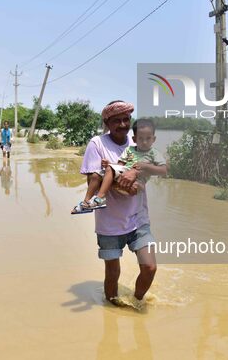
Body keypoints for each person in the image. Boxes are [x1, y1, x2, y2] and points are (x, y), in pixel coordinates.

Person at [79, 100, 167, 308]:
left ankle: (137, 302)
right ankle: (113, 310)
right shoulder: (97, 144)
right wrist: (120, 175)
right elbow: (93, 179)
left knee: (150, 267)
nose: (122, 125)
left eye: (126, 119)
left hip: (138, 219)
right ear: (107, 123)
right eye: (116, 120)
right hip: (109, 222)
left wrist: (134, 171)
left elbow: (154, 171)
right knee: (112, 273)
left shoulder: (138, 144)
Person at [71, 118, 166, 213]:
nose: (144, 142)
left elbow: (163, 170)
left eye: (148, 138)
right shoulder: (129, 150)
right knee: (96, 175)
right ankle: (86, 202)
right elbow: (120, 165)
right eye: (140, 138)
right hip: (123, 173)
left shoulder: (154, 153)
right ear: (134, 139)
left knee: (118, 178)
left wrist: (144, 166)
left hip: (137, 183)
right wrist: (109, 164)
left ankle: (100, 198)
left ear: (154, 139)